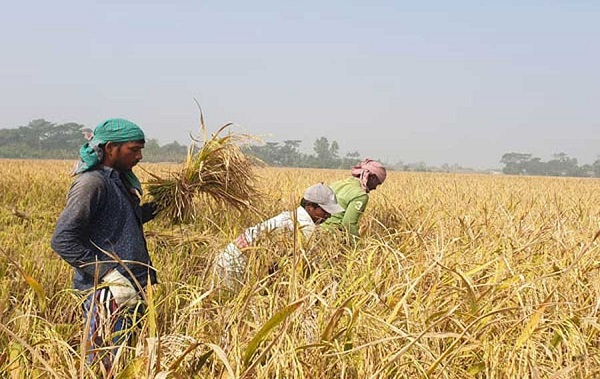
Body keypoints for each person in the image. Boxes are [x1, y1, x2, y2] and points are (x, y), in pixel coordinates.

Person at [51, 118, 158, 374]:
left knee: (126, 362)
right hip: (107, 292)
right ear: (110, 148)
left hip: (132, 286)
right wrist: (109, 273)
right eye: (134, 149)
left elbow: (114, 222)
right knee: (105, 365)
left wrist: (152, 210)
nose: (140, 156)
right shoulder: (92, 184)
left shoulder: (118, 180)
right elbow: (63, 239)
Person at [215, 182, 344, 293]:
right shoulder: (303, 226)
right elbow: (301, 265)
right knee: (232, 302)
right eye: (325, 211)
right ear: (310, 207)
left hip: (235, 256)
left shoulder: (293, 216)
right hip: (237, 262)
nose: (328, 216)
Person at [321, 158, 387, 241]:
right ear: (372, 178)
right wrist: (358, 246)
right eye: (377, 184)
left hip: (317, 231)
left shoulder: (337, 184)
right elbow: (348, 224)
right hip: (331, 237)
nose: (375, 188)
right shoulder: (361, 196)